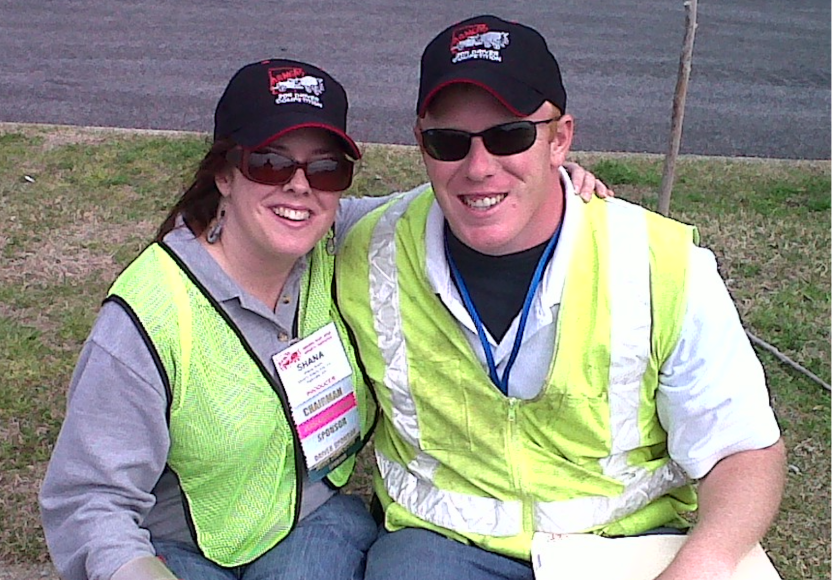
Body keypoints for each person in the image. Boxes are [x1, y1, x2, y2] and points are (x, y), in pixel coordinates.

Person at [38, 57, 609, 580]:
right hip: (182, 550)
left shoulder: (340, 241)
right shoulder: (149, 315)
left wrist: (542, 178)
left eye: (327, 169)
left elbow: (457, 192)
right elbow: (91, 500)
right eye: (269, 163)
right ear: (224, 173)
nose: (299, 187)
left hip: (312, 528)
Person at [335, 15, 786, 580]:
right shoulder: (365, 243)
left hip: (627, 544)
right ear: (420, 145)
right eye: (448, 142)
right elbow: (272, 212)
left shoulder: (658, 264)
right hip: (442, 545)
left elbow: (742, 450)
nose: (478, 168)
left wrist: (705, 562)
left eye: (510, 136)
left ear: (561, 139)